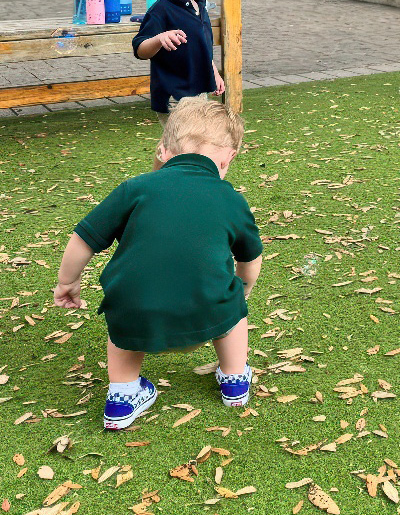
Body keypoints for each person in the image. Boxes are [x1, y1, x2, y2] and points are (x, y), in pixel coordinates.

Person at [52, 96, 263, 430]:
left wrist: (67, 281)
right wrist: (243, 290)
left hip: (136, 319)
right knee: (232, 301)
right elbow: (250, 259)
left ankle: (122, 397)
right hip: (207, 316)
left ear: (163, 151)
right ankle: (235, 381)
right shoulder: (231, 199)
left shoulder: (134, 188)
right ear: (228, 159)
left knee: (124, 302)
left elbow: (84, 237)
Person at [133, 0, 225, 165]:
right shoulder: (161, 11)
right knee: (182, 148)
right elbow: (140, 48)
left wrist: (213, 72)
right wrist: (159, 38)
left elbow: (202, 46)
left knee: (187, 145)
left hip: (198, 91)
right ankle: (169, 184)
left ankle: (172, 182)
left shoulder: (198, 5)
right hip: (175, 95)